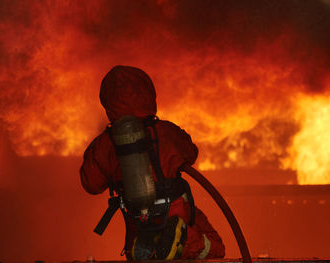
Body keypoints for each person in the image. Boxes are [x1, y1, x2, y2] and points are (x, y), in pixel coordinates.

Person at [80, 65, 225, 260]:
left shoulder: (105, 143)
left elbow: (91, 184)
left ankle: (143, 243)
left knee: (140, 254)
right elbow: (191, 153)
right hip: (175, 210)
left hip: (137, 220)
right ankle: (182, 238)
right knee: (215, 248)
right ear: (148, 94)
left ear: (107, 103)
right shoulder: (165, 131)